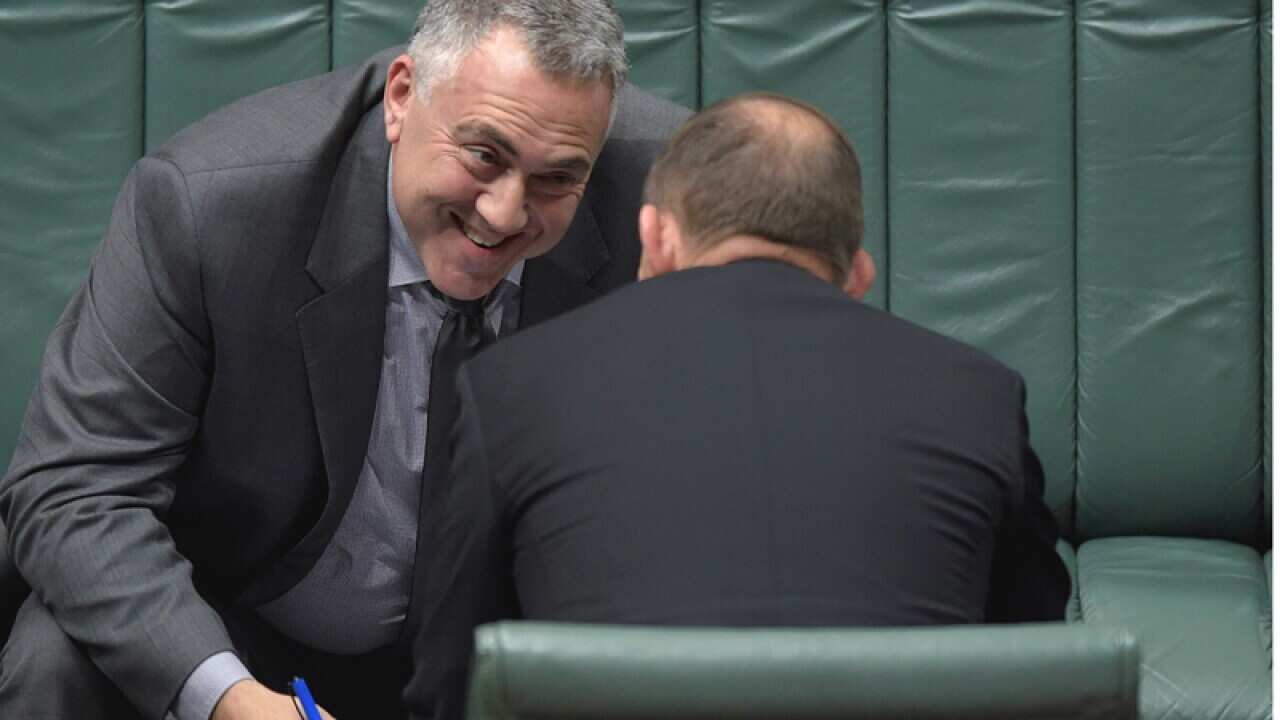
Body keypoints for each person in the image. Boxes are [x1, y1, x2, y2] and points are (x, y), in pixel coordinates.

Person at [0, 1, 687, 718]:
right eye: (484, 155)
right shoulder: (208, 206)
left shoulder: (676, 200)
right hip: (247, 629)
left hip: (525, 652)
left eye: (556, 180)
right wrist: (229, 700)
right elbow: (76, 485)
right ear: (401, 96)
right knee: (57, 657)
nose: (506, 213)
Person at [404, 92, 1071, 719]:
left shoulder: (512, 384)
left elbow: (450, 680)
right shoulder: (979, 393)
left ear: (656, 238)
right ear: (856, 276)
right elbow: (1035, 674)